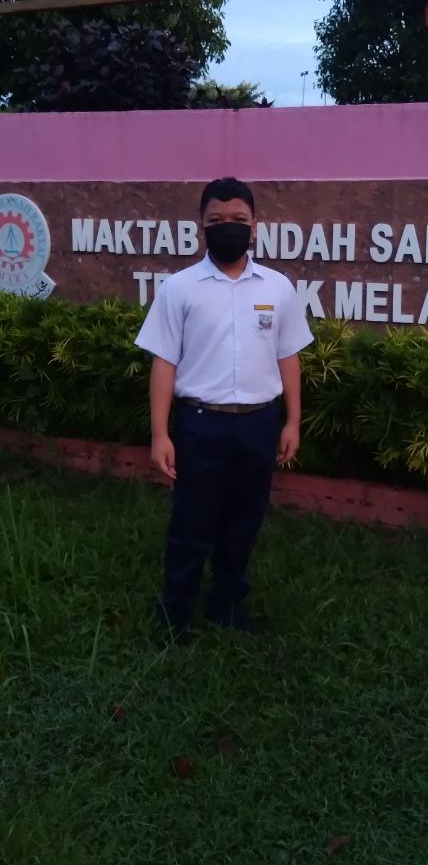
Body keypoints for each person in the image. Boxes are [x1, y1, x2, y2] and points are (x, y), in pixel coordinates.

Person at [135, 177, 313, 639]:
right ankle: (175, 613)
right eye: (217, 219)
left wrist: (292, 421)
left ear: (255, 226)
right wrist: (160, 434)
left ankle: (226, 606)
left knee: (243, 522)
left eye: (238, 219)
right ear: (201, 225)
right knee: (191, 524)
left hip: (259, 424)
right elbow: (163, 362)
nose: (228, 226)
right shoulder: (179, 289)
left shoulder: (277, 287)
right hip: (200, 425)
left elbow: (288, 356)